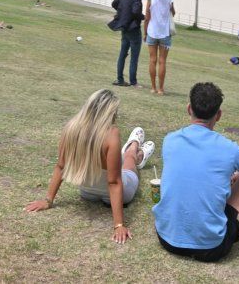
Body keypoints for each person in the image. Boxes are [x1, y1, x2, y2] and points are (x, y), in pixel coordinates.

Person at [153, 82, 239, 262]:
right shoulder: (229, 149)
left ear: (189, 108)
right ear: (218, 115)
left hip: (166, 238)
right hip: (210, 248)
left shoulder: (170, 139)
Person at [24, 89, 155, 244]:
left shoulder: (70, 128)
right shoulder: (112, 133)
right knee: (129, 165)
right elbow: (114, 182)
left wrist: (48, 200)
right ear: (110, 112)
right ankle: (134, 150)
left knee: (118, 164)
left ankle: (131, 149)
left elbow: (60, 166)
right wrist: (119, 225)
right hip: (121, 194)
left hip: (87, 192)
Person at [108, 0, 146, 87]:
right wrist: (143, 17)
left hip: (124, 28)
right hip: (133, 29)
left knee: (122, 54)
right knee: (134, 57)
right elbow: (135, 12)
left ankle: (120, 79)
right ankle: (133, 82)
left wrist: (123, 12)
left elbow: (114, 3)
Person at [143, 0, 175, 95]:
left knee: (152, 60)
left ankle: (153, 87)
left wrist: (145, 33)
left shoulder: (151, 0)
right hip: (165, 33)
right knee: (162, 61)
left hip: (152, 32)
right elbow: (173, 13)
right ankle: (161, 89)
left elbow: (147, 18)